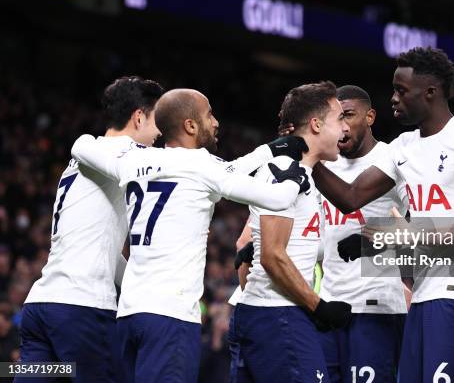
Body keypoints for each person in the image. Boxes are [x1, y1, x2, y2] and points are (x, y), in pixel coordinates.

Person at [70, 88, 311, 383]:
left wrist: (267, 150)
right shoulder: (201, 166)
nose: (216, 122)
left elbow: (81, 146)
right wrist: (295, 178)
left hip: (129, 316)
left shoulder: (134, 162)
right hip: (170, 317)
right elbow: (276, 199)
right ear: (190, 125)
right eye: (209, 114)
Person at [310, 47, 454, 382]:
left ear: (430, 92)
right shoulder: (401, 148)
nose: (394, 99)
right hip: (423, 296)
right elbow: (350, 196)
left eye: (402, 90)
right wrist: (308, 155)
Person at [17, 76, 164, 382]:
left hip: (41, 308)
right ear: (139, 116)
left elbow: (106, 255)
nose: (159, 131)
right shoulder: (120, 154)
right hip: (81, 310)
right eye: (156, 120)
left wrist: (145, 287)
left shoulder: (87, 155)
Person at [230, 81, 352, 383]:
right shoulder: (285, 170)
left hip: (269, 315)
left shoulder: (301, 174)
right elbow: (272, 255)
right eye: (339, 119)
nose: (344, 130)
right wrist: (318, 307)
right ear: (315, 124)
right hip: (279, 317)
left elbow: (246, 246)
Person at [317, 85, 407, 382]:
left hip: (375, 306)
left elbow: (419, 224)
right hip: (329, 305)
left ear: (370, 117)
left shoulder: (392, 158)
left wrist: (379, 239)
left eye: (349, 116)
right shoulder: (328, 164)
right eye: (335, 118)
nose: (341, 126)